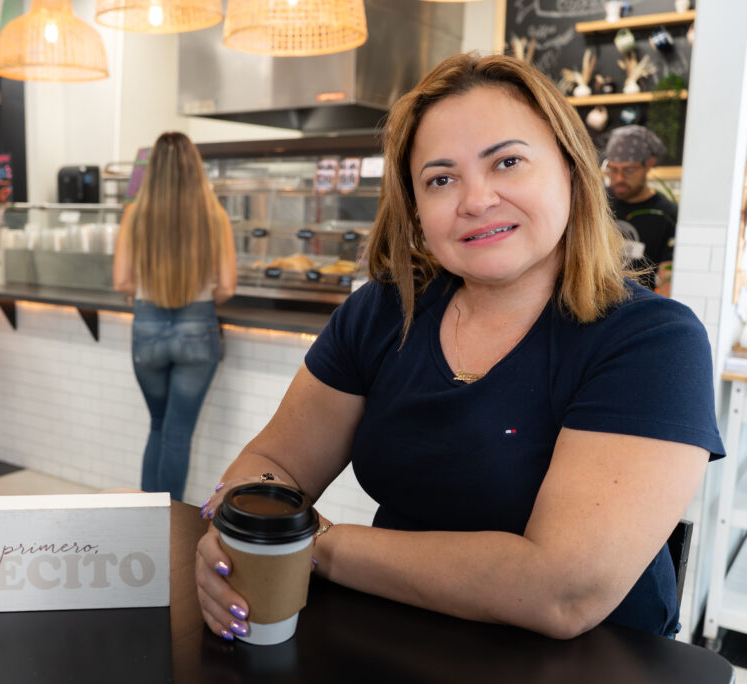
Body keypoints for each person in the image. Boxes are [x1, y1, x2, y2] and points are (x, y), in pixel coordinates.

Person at [195, 53, 723, 642]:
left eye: (508, 162)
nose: (476, 200)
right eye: (441, 179)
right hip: (392, 640)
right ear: (417, 212)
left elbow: (562, 591)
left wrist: (317, 547)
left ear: (572, 172)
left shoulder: (653, 342)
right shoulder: (384, 311)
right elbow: (277, 465)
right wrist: (236, 541)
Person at [113, 131, 237, 502]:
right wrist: (196, 299)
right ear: (194, 167)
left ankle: (146, 520)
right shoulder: (214, 214)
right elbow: (228, 287)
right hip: (197, 330)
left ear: (153, 170)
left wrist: (153, 296)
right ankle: (168, 527)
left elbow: (122, 280)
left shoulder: (135, 214)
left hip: (147, 329)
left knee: (157, 426)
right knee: (178, 434)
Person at [604, 125, 678, 292]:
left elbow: (667, 278)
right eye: (613, 170)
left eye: (629, 170)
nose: (619, 178)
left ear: (649, 164)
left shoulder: (666, 214)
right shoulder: (598, 200)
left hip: (637, 307)